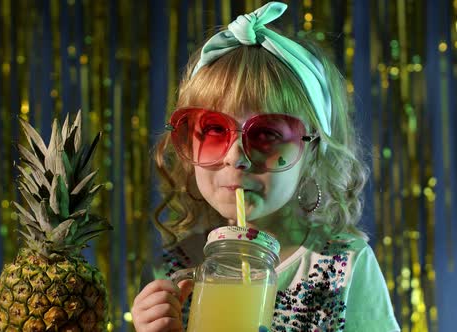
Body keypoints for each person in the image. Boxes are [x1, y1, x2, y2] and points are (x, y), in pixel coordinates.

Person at [131, 2, 400, 331]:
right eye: (214, 130)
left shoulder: (342, 266)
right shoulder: (173, 271)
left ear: (313, 152)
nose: (235, 156)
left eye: (268, 134)